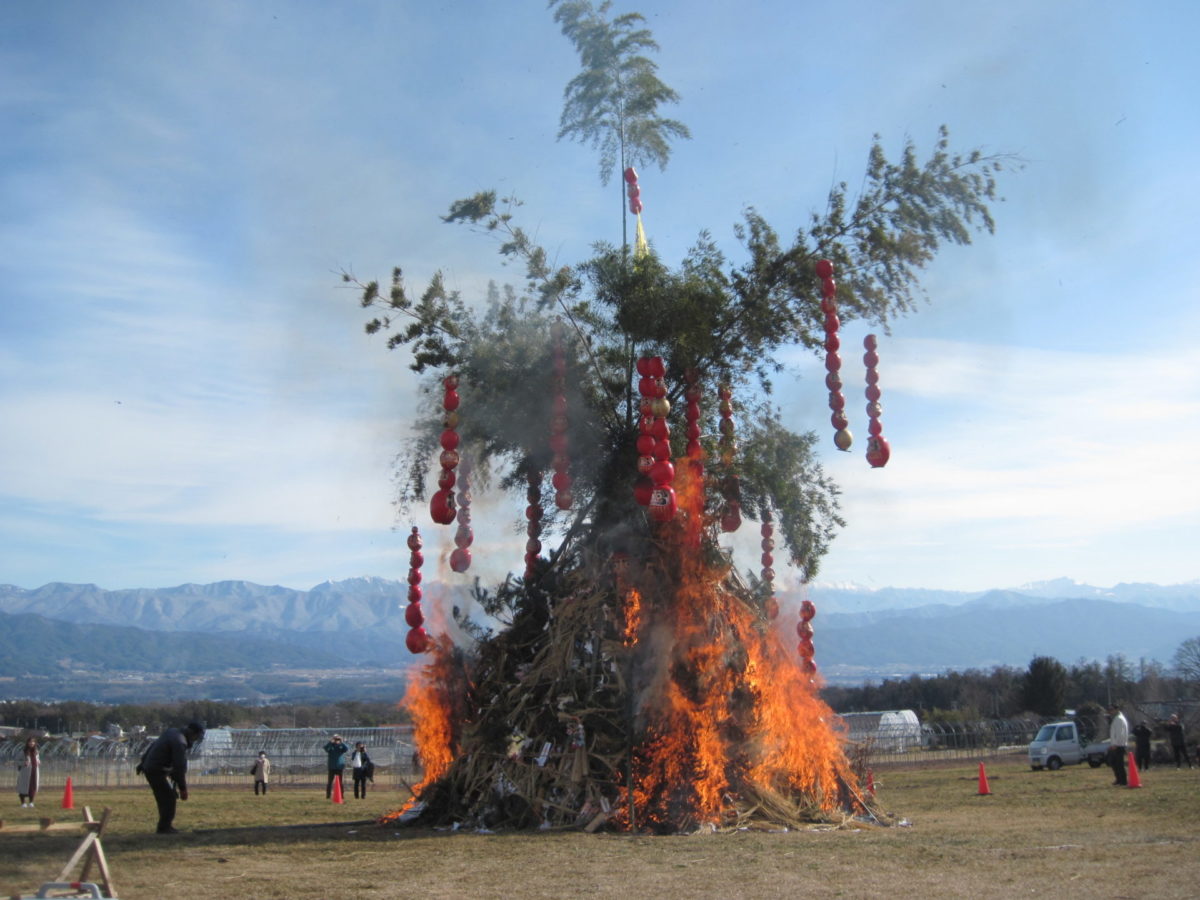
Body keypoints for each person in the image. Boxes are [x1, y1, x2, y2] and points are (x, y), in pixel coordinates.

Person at [136, 721, 205, 834]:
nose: (196, 739)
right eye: (196, 736)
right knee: (168, 798)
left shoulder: (172, 732)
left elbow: (153, 746)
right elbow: (179, 767)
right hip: (156, 770)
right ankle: (164, 828)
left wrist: (143, 762)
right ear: (192, 733)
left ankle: (164, 826)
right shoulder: (180, 742)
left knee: (165, 797)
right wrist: (183, 789)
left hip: (152, 768)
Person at [1106, 704, 1129, 786]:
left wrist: (1116, 744)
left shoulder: (1119, 719)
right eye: (1109, 709)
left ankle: (1123, 781)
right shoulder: (1117, 719)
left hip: (1119, 745)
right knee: (1113, 762)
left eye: (1111, 709)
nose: (1110, 711)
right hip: (1117, 744)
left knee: (1119, 764)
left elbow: (1120, 733)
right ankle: (1119, 779)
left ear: (1116, 709)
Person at [322, 734, 348, 799]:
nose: (337, 741)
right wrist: (330, 742)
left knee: (340, 782)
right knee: (330, 782)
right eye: (335, 739)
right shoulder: (331, 746)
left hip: (339, 767)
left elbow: (346, 748)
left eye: (337, 739)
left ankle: (341, 795)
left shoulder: (341, 746)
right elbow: (325, 748)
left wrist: (342, 741)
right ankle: (328, 795)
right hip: (332, 767)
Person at [16, 737, 39, 808]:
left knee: (33, 787)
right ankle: (23, 803)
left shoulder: (36, 751)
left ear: (35, 743)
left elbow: (37, 759)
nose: (31, 743)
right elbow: (17, 761)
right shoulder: (23, 752)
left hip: (34, 772)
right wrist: (23, 763)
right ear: (27, 743)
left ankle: (31, 802)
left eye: (33, 742)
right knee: (23, 787)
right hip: (25, 773)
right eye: (30, 742)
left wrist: (38, 761)